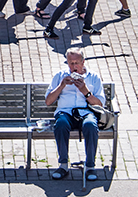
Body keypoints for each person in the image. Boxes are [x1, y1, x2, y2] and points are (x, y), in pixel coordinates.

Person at [45, 48, 106, 180]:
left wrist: (85, 91)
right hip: (65, 112)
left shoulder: (93, 77)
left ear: (83, 62)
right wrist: (61, 86)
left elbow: (100, 104)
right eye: (71, 63)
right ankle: (63, 165)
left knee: (90, 125)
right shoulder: (60, 75)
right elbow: (49, 101)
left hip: (86, 112)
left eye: (77, 63)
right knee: (60, 124)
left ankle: (90, 167)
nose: (74, 67)